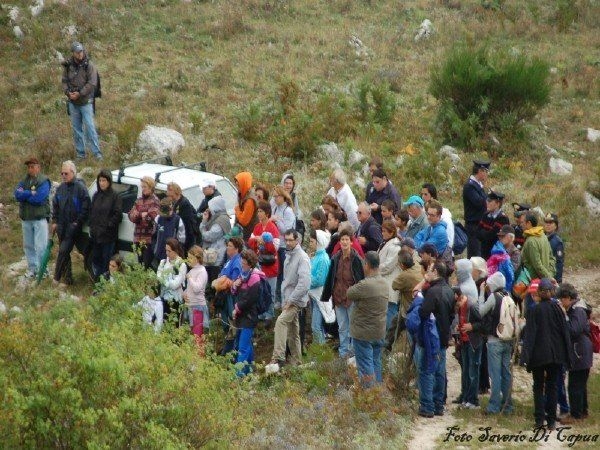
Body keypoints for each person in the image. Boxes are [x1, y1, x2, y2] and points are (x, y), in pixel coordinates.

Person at [521, 278, 572, 429]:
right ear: (552, 292)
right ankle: (551, 421)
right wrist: (567, 355)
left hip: (538, 355)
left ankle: (539, 419)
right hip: (555, 354)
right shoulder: (558, 309)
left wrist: (525, 357)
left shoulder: (534, 310)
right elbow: (564, 333)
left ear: (539, 293)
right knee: (552, 386)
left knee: (538, 386)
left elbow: (530, 335)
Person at [268, 229, 311, 369]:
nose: (287, 242)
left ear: (297, 240)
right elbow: (286, 281)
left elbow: (304, 283)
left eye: (290, 240)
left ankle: (278, 357)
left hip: (295, 300)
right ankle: (297, 362)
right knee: (293, 331)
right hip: (288, 298)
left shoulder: (302, 257)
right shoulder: (288, 255)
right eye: (285, 240)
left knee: (281, 322)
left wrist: (291, 300)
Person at [321, 228, 365, 359]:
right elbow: (330, 278)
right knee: (342, 327)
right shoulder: (335, 258)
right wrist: (327, 295)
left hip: (351, 299)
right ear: (339, 242)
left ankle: (353, 353)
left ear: (351, 242)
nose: (344, 242)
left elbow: (361, 280)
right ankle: (343, 353)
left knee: (353, 327)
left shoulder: (356, 259)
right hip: (338, 297)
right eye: (342, 240)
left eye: (347, 239)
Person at [418, 261, 455, 416]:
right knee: (440, 371)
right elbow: (452, 314)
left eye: (430, 270)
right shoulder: (449, 290)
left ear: (435, 272)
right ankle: (439, 405)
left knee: (427, 371)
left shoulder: (433, 292)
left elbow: (423, 312)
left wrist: (422, 285)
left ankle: (427, 406)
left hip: (431, 337)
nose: (427, 272)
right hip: (443, 335)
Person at [347, 251, 389, 388]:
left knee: (365, 365)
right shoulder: (384, 283)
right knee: (376, 361)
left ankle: (368, 393)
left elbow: (349, 293)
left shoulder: (365, 285)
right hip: (379, 331)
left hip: (363, 333)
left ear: (367, 265)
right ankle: (378, 390)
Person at [477, 272, 514, 415]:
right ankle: (508, 405)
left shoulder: (494, 297)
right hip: (508, 339)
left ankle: (494, 406)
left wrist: (481, 293)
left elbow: (480, 312)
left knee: (495, 374)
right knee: (506, 373)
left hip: (495, 340)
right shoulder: (508, 295)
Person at [556, 283, 593, 423]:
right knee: (580, 384)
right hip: (582, 351)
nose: (561, 302)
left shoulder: (577, 311)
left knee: (574, 385)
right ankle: (583, 411)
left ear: (568, 297)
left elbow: (573, 330)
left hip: (579, 352)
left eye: (562, 299)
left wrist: (565, 317)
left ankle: (575, 415)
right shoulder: (579, 308)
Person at [51, 160, 91, 287]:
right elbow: (55, 206)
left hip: (75, 228)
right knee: (65, 254)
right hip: (61, 227)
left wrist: (77, 223)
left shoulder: (81, 188)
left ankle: (56, 279)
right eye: (62, 173)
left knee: (64, 252)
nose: (63, 176)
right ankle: (67, 279)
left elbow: (86, 208)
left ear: (73, 173)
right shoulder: (60, 188)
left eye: (66, 173)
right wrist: (55, 221)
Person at [61, 42, 102, 160]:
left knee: (90, 127)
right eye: (77, 52)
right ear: (73, 53)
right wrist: (68, 92)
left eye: (81, 51)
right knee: (76, 129)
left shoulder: (89, 65)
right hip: (73, 103)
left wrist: (80, 93)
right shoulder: (68, 66)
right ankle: (80, 154)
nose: (80, 54)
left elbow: (92, 83)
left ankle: (97, 153)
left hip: (86, 102)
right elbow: (64, 81)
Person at [14, 157, 51, 278]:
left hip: (39, 218)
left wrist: (25, 196)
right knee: (28, 245)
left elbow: (38, 198)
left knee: (41, 246)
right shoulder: (24, 181)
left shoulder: (44, 181)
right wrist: (29, 193)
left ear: (38, 167)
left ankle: (43, 270)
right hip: (26, 218)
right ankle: (32, 268)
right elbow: (17, 194)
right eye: (28, 167)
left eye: (32, 166)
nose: (30, 169)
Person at [232, 249, 263, 377]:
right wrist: (235, 285)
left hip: (249, 317)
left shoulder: (255, 278)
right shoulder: (242, 275)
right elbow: (234, 292)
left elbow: (250, 300)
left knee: (242, 348)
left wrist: (236, 308)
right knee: (245, 344)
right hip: (241, 317)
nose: (242, 265)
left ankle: (238, 376)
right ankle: (249, 371)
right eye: (241, 262)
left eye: (244, 263)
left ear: (250, 264)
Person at [247, 200, 280, 321]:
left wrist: (265, 242)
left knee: (270, 290)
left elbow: (275, 248)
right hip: (260, 263)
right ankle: (262, 311)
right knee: (261, 289)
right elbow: (250, 242)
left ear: (267, 213)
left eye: (261, 211)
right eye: (258, 211)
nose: (259, 214)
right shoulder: (257, 227)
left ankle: (270, 314)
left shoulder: (273, 227)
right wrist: (257, 240)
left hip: (270, 264)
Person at [89, 169, 122, 279]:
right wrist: (92, 227)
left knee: (106, 262)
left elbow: (118, 215)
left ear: (109, 182)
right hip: (96, 235)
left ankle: (105, 284)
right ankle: (98, 281)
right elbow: (92, 212)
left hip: (108, 237)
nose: (101, 183)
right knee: (95, 259)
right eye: (100, 180)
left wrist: (108, 225)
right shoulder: (96, 195)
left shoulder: (115, 196)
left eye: (104, 181)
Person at [212, 237, 244, 353]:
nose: (227, 248)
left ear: (237, 249)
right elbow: (222, 275)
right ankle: (228, 349)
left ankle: (231, 350)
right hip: (224, 296)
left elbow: (233, 281)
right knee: (225, 323)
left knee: (231, 323)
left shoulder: (237, 262)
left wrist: (221, 282)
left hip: (231, 297)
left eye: (230, 246)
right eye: (228, 245)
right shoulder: (229, 260)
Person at [455, 286, 484, 409]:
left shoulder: (472, 306)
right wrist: (459, 327)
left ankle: (473, 400)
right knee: (466, 371)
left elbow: (483, 322)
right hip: (464, 342)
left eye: (457, 303)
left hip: (474, 342)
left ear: (461, 297)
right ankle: (466, 398)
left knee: (473, 372)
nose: (456, 306)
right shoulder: (460, 308)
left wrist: (472, 326)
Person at [272, 186, 296, 308]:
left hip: (285, 247)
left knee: (284, 275)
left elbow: (287, 231)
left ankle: (284, 300)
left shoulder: (288, 211)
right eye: (274, 196)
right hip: (276, 246)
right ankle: (277, 299)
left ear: (283, 197)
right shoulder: (275, 208)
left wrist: (277, 221)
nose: (275, 199)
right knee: (277, 273)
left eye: (277, 196)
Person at [128, 176, 160, 268]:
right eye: (142, 187)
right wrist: (141, 215)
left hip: (148, 240)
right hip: (138, 238)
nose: (143, 189)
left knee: (146, 265)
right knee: (140, 264)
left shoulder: (155, 201)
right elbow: (131, 216)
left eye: (145, 187)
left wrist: (139, 215)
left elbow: (151, 218)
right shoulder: (139, 200)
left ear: (151, 187)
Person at [199, 196, 231, 285]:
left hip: (216, 257)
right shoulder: (219, 217)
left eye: (211, 207)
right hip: (215, 255)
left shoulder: (220, 221)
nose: (209, 209)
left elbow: (208, 236)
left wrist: (203, 223)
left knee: (213, 281)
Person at [157, 238, 188, 325]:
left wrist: (164, 280)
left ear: (176, 250)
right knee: (162, 323)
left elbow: (175, 285)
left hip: (175, 300)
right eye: (166, 250)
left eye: (169, 251)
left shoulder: (181, 265)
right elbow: (158, 277)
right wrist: (168, 281)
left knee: (174, 324)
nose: (167, 253)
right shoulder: (163, 262)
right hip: (163, 297)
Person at [463, 160, 490, 258]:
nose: (486, 174)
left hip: (480, 224)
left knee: (481, 254)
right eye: (485, 171)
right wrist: (488, 199)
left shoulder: (478, 185)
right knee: (474, 256)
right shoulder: (470, 186)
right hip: (473, 225)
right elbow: (479, 203)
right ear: (480, 171)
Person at [377, 220, 401, 330]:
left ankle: (389, 338)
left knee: (390, 314)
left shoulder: (395, 246)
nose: (382, 233)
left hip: (390, 285)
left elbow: (388, 266)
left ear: (391, 232)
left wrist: (375, 268)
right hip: (383, 283)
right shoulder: (384, 243)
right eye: (382, 231)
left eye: (384, 231)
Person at [309, 230, 331, 344]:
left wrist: (306, 279)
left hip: (320, 296)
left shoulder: (323, 259)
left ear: (318, 243)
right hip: (314, 295)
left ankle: (319, 350)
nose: (310, 244)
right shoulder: (317, 256)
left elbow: (319, 280)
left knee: (316, 326)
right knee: (318, 326)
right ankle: (320, 349)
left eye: (312, 242)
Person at [150, 198, 185, 269]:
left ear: (171, 209)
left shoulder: (178, 220)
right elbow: (153, 235)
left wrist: (175, 253)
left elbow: (181, 240)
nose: (163, 215)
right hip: (158, 256)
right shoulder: (158, 218)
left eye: (165, 213)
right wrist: (154, 249)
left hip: (171, 258)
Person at [521, 212, 556, 282]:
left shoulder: (531, 241)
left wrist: (549, 277)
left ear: (528, 223)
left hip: (534, 282)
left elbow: (537, 265)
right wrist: (550, 274)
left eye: (522, 222)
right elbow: (552, 259)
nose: (521, 225)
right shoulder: (543, 236)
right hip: (544, 280)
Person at [183, 245, 209, 336]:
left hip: (198, 306)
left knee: (197, 336)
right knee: (190, 335)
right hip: (190, 306)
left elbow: (197, 288)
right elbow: (189, 288)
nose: (188, 260)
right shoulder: (192, 271)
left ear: (197, 258)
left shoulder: (202, 271)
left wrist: (189, 278)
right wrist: (184, 294)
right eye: (188, 257)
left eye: (190, 258)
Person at [421, 183, 454, 249]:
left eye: (425, 194)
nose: (422, 197)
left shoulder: (445, 216)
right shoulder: (423, 211)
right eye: (422, 194)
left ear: (432, 196)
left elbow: (449, 241)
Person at [478, 190, 510, 260]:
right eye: (487, 200)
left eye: (489, 201)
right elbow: (477, 233)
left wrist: (483, 233)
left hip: (496, 256)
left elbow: (491, 236)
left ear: (498, 203)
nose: (487, 203)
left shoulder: (502, 218)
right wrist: (485, 234)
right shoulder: (486, 215)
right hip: (484, 253)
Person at [167, 182, 198, 251]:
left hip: (186, 237)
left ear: (176, 192)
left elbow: (186, 224)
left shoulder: (184, 203)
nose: (168, 194)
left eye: (170, 192)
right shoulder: (175, 203)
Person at [392, 249, 423, 317]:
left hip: (409, 309)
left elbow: (394, 286)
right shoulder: (418, 265)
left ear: (402, 265)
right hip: (419, 303)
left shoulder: (405, 275)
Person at [234, 172, 259, 241]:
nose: (237, 188)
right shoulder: (242, 193)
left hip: (248, 234)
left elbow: (243, 221)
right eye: (236, 185)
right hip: (242, 231)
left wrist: (237, 209)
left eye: (238, 185)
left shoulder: (250, 200)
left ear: (244, 184)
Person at [544, 213, 564, 283]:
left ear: (555, 226)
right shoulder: (541, 238)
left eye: (551, 223)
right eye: (546, 222)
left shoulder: (558, 242)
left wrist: (558, 280)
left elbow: (559, 262)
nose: (548, 225)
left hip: (552, 276)